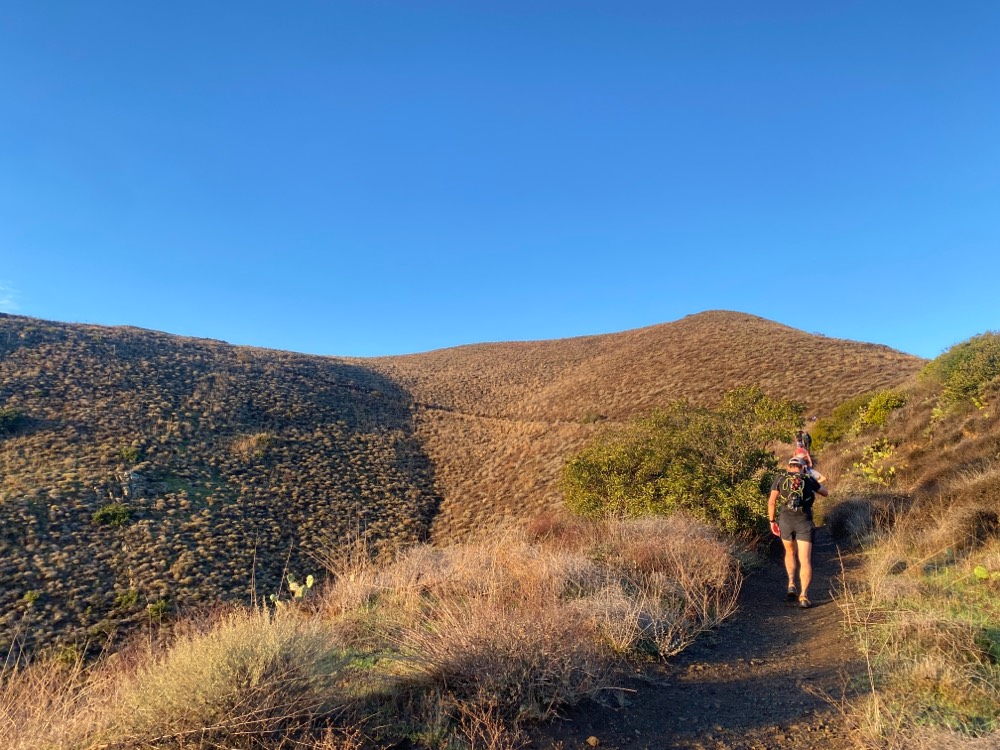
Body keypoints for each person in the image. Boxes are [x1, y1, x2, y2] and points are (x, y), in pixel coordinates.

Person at [768, 456, 829, 608]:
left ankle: (791, 584)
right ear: (802, 467)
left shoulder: (780, 478)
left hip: (786, 521)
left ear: (788, 466)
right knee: (805, 559)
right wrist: (813, 483)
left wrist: (772, 521)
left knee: (790, 553)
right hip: (804, 521)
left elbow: (772, 502)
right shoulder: (808, 478)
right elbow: (825, 492)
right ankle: (804, 596)